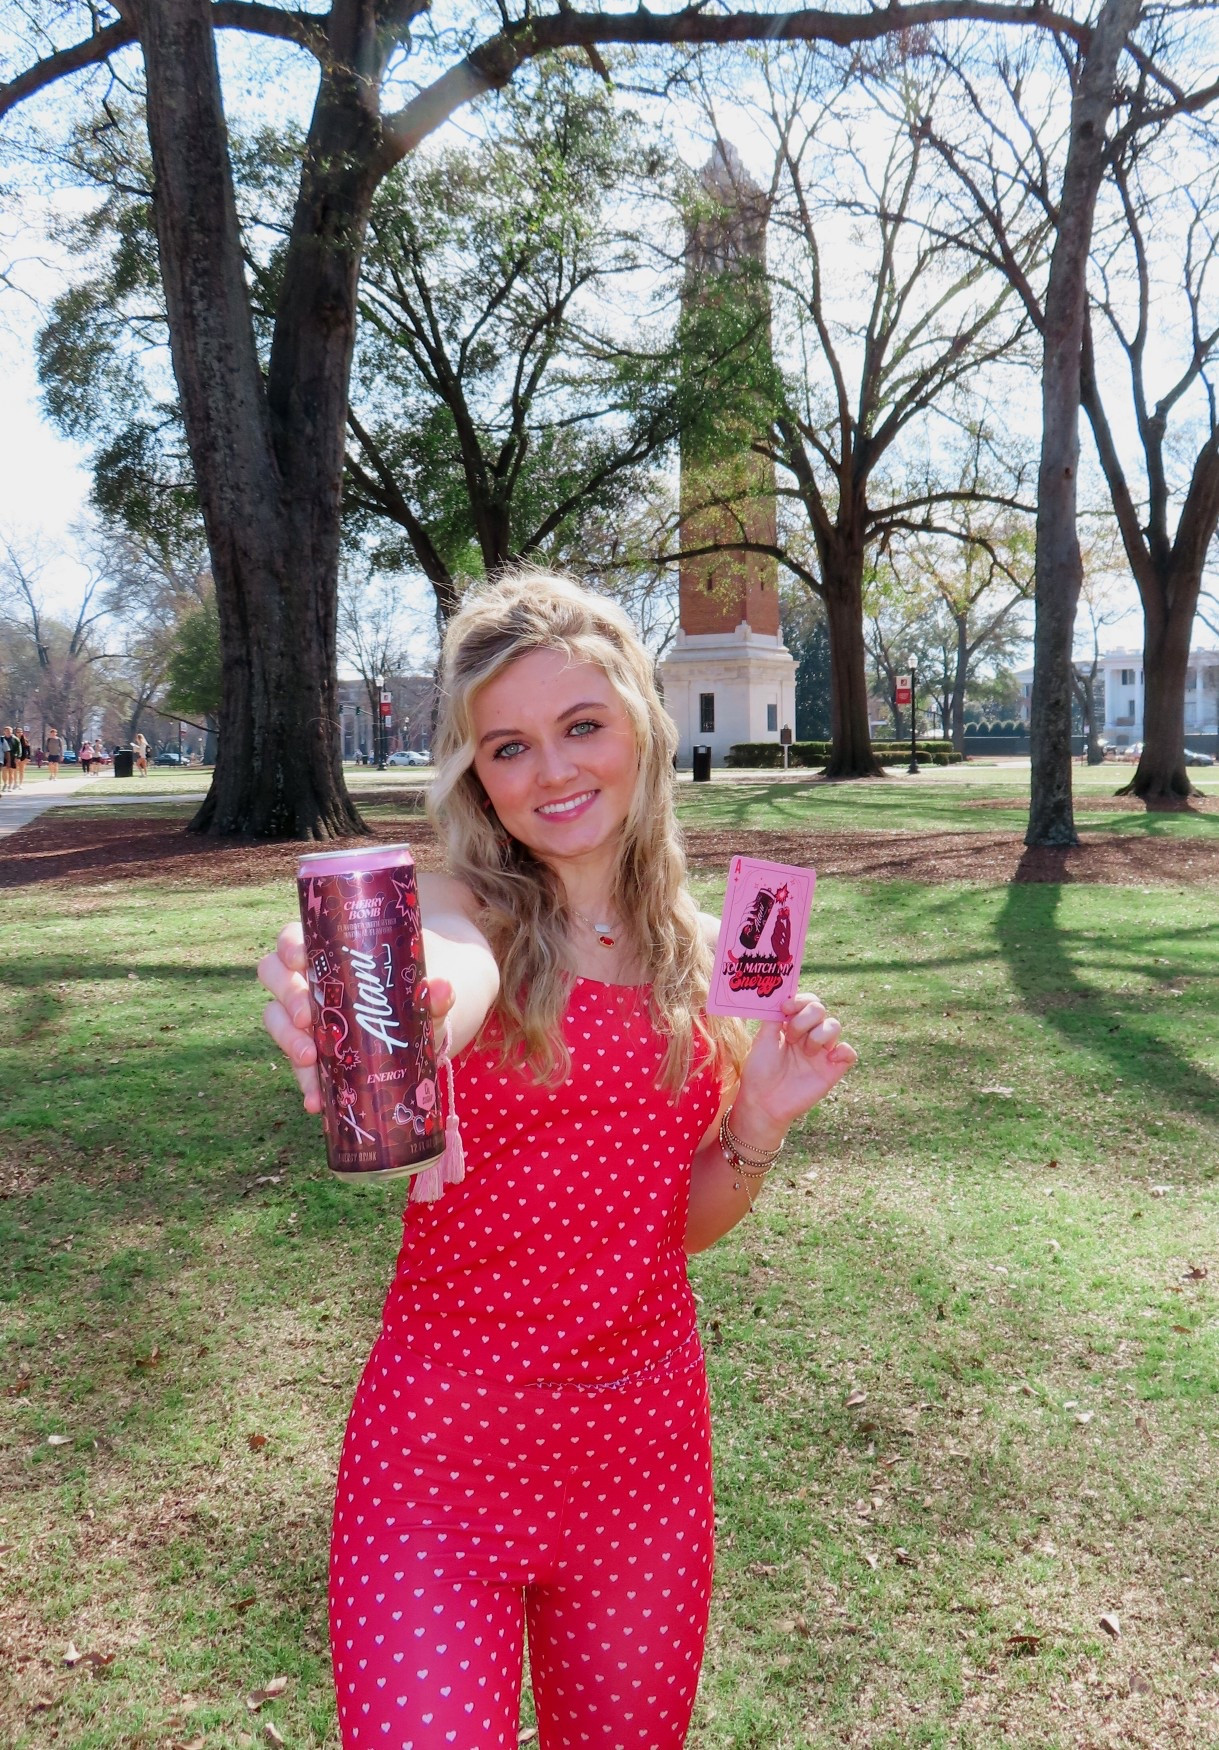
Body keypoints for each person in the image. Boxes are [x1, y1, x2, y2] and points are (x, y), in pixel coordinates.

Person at [258, 569, 857, 1750]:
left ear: (642, 720)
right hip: (439, 1460)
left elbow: (675, 1228)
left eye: (581, 724)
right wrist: (397, 1017)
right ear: (475, 771)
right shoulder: (451, 907)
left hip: (641, 1461)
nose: (551, 770)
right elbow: (445, 970)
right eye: (508, 746)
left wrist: (757, 1124)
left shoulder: (729, 947)